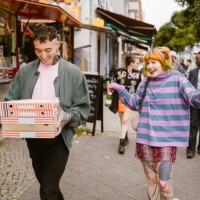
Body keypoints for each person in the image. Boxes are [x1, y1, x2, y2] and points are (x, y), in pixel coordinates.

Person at [4, 24, 90, 200]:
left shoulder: (74, 73)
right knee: (47, 183)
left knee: (48, 188)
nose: (44, 55)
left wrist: (66, 116)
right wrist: (11, 114)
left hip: (59, 138)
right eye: (38, 50)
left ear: (57, 45)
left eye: (48, 50)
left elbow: (83, 109)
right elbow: (10, 101)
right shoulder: (25, 71)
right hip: (33, 137)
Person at [110, 47, 200, 200]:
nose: (150, 66)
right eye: (147, 63)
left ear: (163, 62)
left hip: (167, 140)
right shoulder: (145, 81)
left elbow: (193, 98)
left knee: (163, 183)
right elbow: (134, 103)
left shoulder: (177, 78)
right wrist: (120, 89)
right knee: (152, 182)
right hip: (145, 139)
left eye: (154, 62)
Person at [113, 54, 142, 154]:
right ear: (131, 63)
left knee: (125, 121)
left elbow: (140, 88)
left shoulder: (138, 74)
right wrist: (117, 80)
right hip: (119, 100)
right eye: (137, 63)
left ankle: (121, 145)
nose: (138, 65)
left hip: (129, 100)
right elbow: (113, 84)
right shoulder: (119, 71)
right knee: (122, 122)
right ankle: (125, 137)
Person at [186, 53, 200, 158]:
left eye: (198, 58)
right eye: (196, 58)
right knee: (193, 126)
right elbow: (188, 87)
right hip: (194, 103)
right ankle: (191, 149)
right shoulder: (192, 72)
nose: (196, 60)